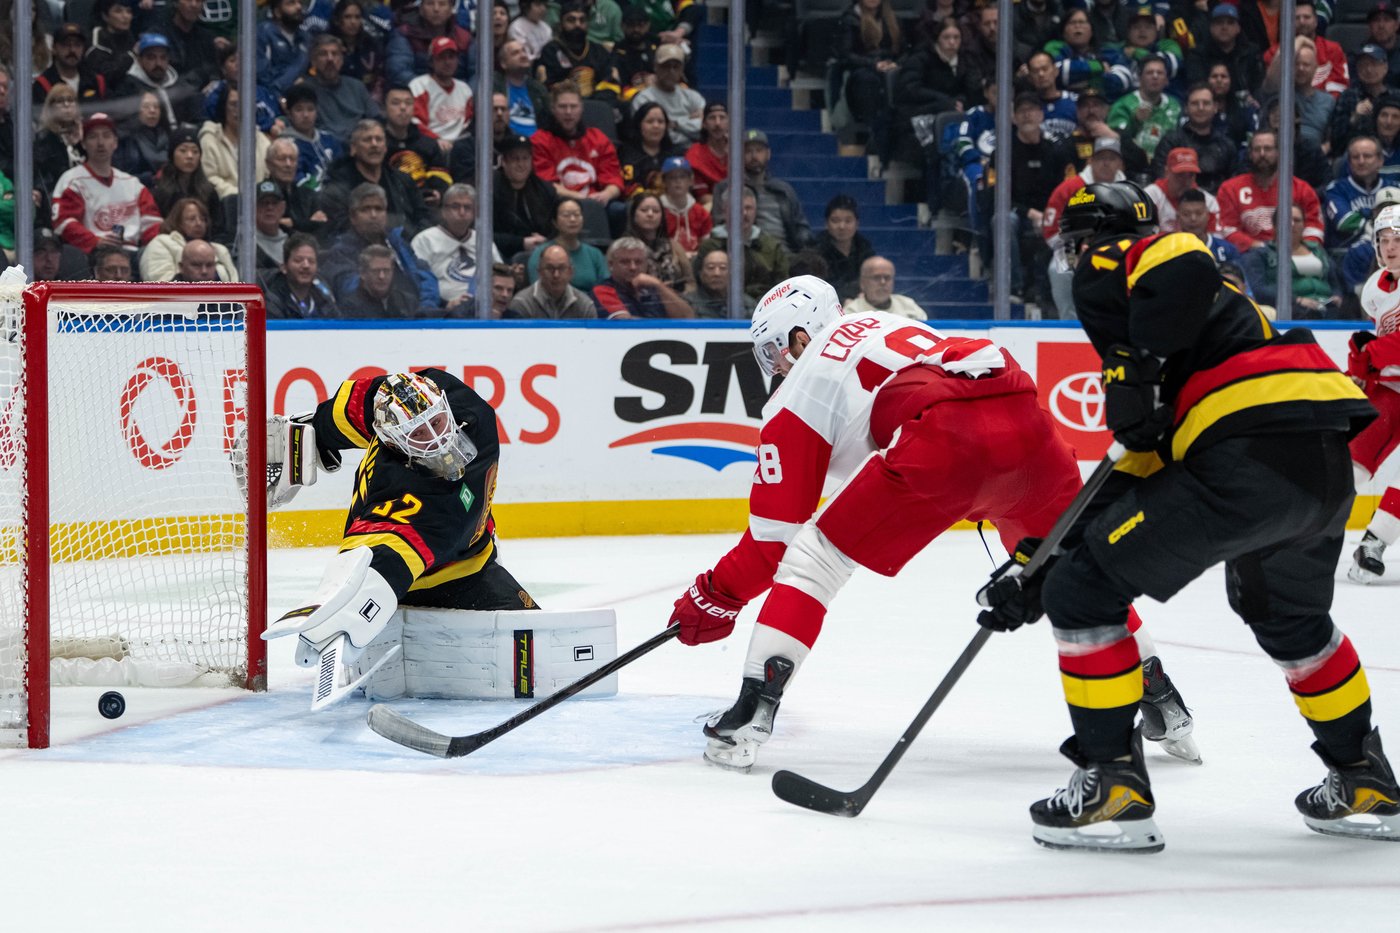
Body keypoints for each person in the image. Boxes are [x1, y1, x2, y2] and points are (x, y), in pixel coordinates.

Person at [976, 180, 1393, 852]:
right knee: (1293, 621)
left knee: (1083, 593)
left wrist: (1132, 368)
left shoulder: (1133, 261)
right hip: (1318, 457)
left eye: (1078, 245)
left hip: (1248, 450)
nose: (1077, 260)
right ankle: (1363, 777)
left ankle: (1112, 784)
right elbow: (1131, 476)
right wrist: (1033, 565)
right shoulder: (1193, 335)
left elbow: (1185, 256)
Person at [671, 274, 1196, 772]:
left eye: (774, 350)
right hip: (1028, 424)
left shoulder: (799, 388)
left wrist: (715, 594)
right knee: (1073, 573)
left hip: (944, 438)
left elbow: (773, 545)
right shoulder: (890, 323)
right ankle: (1160, 696)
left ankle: (749, 715)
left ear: (801, 334)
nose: (776, 367)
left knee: (813, 560)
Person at [262, 369, 536, 692]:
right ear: (394, 442)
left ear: (443, 405)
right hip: (408, 584)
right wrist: (355, 607)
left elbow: (355, 403)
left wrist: (312, 430)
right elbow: (383, 554)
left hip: (471, 567)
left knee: (536, 643)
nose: (436, 438)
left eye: (436, 422)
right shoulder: (400, 489)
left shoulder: (462, 408)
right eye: (418, 435)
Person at [1348, 203, 1400, 584]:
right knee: (1351, 461)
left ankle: (1374, 544)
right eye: (1384, 240)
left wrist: (1370, 354)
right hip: (1390, 391)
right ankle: (1301, 536)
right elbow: (1377, 340)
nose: (1390, 247)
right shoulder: (1374, 289)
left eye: (1398, 239)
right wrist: (1361, 365)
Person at [52, 112, 161, 255]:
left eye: (106, 135)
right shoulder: (72, 181)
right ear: (83, 143)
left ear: (115, 142)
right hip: (95, 254)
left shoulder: (132, 184)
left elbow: (152, 224)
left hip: (133, 254)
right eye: (93, 136)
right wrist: (94, 241)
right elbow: (63, 222)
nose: (100, 143)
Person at [321, 182, 440, 312]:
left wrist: (425, 307)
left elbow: (424, 277)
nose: (373, 215)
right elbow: (347, 290)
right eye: (366, 209)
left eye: (379, 209)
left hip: (414, 316)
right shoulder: (340, 251)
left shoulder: (398, 243)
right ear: (353, 217)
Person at [1217, 129, 1324, 252]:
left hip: (1294, 254)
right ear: (1250, 154)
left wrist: (1300, 249)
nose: (1262, 154)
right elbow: (1227, 229)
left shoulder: (1302, 189)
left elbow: (1314, 228)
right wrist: (1262, 248)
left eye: (1268, 149)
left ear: (1279, 152)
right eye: (1257, 150)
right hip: (1249, 256)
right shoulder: (1230, 189)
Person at [323, 118, 430, 235]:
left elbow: (423, 216)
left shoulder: (402, 180)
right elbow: (340, 228)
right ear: (353, 148)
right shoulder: (338, 188)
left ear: (385, 147)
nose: (374, 145)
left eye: (379, 139)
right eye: (367, 140)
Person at [714, 129, 812, 253]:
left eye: (759, 151)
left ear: (768, 154)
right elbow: (720, 226)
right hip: (745, 254)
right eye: (748, 151)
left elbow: (801, 227)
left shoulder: (784, 190)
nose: (754, 156)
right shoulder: (726, 188)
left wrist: (805, 243)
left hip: (785, 255)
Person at [411, 183, 504, 313]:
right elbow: (417, 284)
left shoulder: (483, 239)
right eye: (455, 206)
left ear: (475, 212)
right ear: (443, 211)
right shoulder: (425, 240)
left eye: (467, 207)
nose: (462, 212)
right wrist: (445, 305)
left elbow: (499, 275)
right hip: (441, 312)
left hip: (482, 310)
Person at [1242, 204, 1343, 319]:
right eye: (1287, 220)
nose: (1292, 224)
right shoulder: (1261, 254)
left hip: (1326, 306)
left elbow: (1334, 282)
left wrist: (1337, 296)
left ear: (1304, 225)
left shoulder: (1318, 250)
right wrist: (1297, 300)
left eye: (1297, 220)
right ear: (1275, 225)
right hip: (1291, 310)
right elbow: (1259, 290)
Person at [531, 84, 624, 207]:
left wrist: (606, 194)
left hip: (597, 203)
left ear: (581, 108)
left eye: (573, 106)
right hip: (557, 204)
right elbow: (545, 185)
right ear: (553, 109)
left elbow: (614, 178)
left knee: (620, 209)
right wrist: (582, 199)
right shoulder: (540, 140)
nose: (568, 112)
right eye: (562, 107)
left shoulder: (598, 138)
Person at [696, 185, 791, 305]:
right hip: (717, 310)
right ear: (725, 211)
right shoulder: (709, 246)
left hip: (764, 309)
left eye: (748, 208)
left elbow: (784, 286)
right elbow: (698, 286)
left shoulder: (772, 246)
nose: (744, 213)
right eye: (738, 208)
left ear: (756, 211)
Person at [835, 0, 903, 162]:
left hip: (889, 68)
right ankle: (875, 134)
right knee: (868, 81)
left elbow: (902, 51)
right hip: (861, 71)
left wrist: (896, 63)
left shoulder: (892, 18)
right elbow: (846, 55)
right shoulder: (850, 19)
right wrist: (874, 64)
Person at [1150, 83, 1236, 193]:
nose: (1201, 108)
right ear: (1186, 108)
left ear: (1215, 107)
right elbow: (1161, 177)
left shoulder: (1226, 145)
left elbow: (1234, 184)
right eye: (1195, 103)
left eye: (1206, 103)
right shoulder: (1170, 142)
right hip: (1178, 202)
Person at [304, 33, 382, 144]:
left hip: (360, 145)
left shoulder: (357, 86)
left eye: (335, 54)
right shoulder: (305, 91)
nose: (330, 59)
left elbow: (375, 118)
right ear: (313, 61)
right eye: (323, 54)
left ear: (341, 59)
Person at [535, 0, 621, 99]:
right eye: (571, 20)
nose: (577, 25)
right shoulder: (551, 51)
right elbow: (548, 87)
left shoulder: (598, 51)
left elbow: (609, 82)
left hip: (596, 103)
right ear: (561, 24)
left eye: (582, 20)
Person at [591, 236, 694, 318]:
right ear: (610, 265)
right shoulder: (603, 289)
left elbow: (687, 317)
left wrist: (659, 285)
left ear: (646, 264)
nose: (633, 267)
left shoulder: (653, 288)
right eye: (625, 262)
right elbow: (625, 323)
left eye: (638, 262)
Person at [199, 84, 271, 200]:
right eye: (234, 104)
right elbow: (210, 178)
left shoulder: (261, 140)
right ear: (224, 107)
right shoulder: (209, 138)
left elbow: (269, 176)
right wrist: (241, 197)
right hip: (222, 205)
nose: (240, 110)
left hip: (258, 205)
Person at [140, 197, 236, 282]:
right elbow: (159, 284)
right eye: (192, 219)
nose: (199, 223)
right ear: (177, 221)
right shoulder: (161, 243)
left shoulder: (220, 250)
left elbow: (234, 283)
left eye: (203, 219)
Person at [1106, 55, 1179, 161]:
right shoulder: (1122, 105)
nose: (1155, 76)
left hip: (1165, 165)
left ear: (1166, 80)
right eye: (1149, 73)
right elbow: (1115, 140)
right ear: (1140, 78)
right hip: (1131, 164)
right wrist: (1135, 121)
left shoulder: (1174, 106)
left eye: (1160, 73)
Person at [385, 0, 472, 89]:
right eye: (430, 3)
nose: (436, 9)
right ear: (421, 9)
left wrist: (463, 93)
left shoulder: (464, 37)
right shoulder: (405, 33)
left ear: (451, 10)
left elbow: (476, 74)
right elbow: (399, 72)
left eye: (442, 4)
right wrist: (433, 90)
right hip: (416, 95)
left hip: (458, 97)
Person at [525, 198, 609, 289]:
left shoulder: (594, 254)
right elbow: (537, 289)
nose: (573, 219)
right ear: (555, 222)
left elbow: (606, 288)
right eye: (566, 215)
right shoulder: (541, 253)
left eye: (577, 215)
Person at [631, 44, 705, 147]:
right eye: (666, 66)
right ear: (655, 67)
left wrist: (676, 124)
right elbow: (654, 136)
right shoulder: (644, 99)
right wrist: (689, 123)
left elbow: (705, 130)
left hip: (693, 154)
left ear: (682, 69)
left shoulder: (693, 97)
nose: (671, 71)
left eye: (676, 67)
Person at [281, 82, 347, 190]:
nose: (306, 115)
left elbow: (343, 171)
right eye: (299, 110)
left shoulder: (329, 139)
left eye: (310, 109)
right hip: (305, 199)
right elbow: (297, 181)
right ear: (289, 113)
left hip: (336, 195)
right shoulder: (285, 145)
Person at [1325, 136, 1386, 252]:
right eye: (1355, 157)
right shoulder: (1336, 190)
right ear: (1349, 162)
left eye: (1367, 156)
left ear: (1380, 160)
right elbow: (1344, 221)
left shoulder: (1393, 188)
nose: (1361, 161)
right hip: (1345, 255)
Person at [505, 243, 599, 318]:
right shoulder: (522, 303)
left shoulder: (585, 305)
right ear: (539, 271)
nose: (556, 275)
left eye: (562, 268)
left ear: (571, 272)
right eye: (550, 268)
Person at [409, 37, 473, 146]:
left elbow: (468, 123)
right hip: (429, 144)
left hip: (459, 145)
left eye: (451, 57)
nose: (447, 62)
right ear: (431, 62)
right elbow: (416, 123)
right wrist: (436, 140)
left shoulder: (465, 89)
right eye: (441, 58)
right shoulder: (419, 86)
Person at [624, 193, 693, 293]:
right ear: (633, 215)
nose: (650, 214)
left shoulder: (675, 246)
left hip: (677, 300)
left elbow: (691, 282)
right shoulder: (623, 248)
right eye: (644, 210)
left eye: (656, 211)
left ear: (662, 218)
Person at [32, 22, 108, 110]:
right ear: (54, 48)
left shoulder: (97, 81)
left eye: (77, 45)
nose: (72, 50)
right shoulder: (42, 84)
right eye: (66, 45)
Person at [1143, 148, 1221, 234]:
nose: (1185, 181)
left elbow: (1215, 237)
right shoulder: (1149, 196)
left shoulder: (1208, 202)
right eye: (1180, 175)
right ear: (1167, 172)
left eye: (1190, 175)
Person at [1331, 45, 1391, 155]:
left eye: (1374, 64)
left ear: (1385, 68)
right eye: (1363, 64)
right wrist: (1354, 118)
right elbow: (1336, 141)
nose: (1368, 69)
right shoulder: (1347, 96)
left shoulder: (1394, 97)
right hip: (1355, 155)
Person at [263, 232, 339, 319]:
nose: (306, 265)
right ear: (284, 267)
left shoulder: (324, 301)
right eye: (298, 260)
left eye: (311, 261)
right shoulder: (273, 303)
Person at [814, 194, 875, 302]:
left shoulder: (864, 248)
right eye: (835, 220)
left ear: (857, 224)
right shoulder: (816, 249)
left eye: (848, 221)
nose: (842, 226)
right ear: (826, 224)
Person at [619, 102, 679, 199]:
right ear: (639, 125)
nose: (656, 126)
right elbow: (627, 185)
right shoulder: (626, 153)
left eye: (660, 122)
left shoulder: (676, 154)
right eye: (650, 121)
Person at [494, 39, 549, 138]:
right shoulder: (494, 85)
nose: (523, 55)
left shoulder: (538, 89)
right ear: (503, 64)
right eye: (515, 53)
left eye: (524, 51)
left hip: (536, 145)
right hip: (507, 142)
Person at [842, 256, 926, 320]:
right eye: (876, 277)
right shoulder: (852, 312)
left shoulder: (908, 305)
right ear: (863, 282)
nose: (883, 282)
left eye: (887, 277)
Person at [258, 0, 311, 97]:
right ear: (277, 12)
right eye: (291, 3)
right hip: (269, 97)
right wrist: (279, 95)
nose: (299, 7)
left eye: (299, 2)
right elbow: (262, 76)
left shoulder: (306, 38)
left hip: (300, 98)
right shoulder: (263, 34)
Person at [684, 102, 729, 207]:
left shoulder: (739, 151)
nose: (717, 123)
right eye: (712, 118)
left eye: (722, 118)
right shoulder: (695, 153)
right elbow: (703, 197)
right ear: (704, 124)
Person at [681, 249, 732, 318]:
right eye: (711, 268)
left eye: (723, 268)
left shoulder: (745, 304)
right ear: (701, 274)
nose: (716, 273)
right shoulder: (687, 303)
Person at [254, 181, 290, 269]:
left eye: (274, 203)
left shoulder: (294, 241)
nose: (270, 207)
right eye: (264, 203)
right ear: (253, 207)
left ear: (283, 207)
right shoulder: (244, 243)